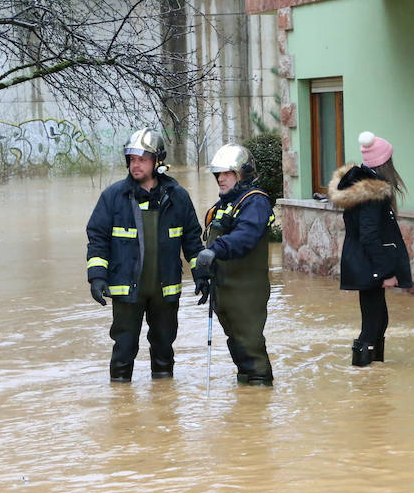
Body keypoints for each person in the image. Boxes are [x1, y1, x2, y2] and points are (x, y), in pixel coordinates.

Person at [86, 128, 207, 382]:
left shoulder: (177, 198)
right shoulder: (113, 197)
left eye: (142, 159)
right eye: (131, 159)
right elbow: (97, 240)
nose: (135, 165)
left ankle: (165, 405)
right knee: (124, 349)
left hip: (166, 290)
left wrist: (201, 275)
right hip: (126, 290)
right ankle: (120, 404)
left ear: (157, 161)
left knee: (164, 349)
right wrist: (97, 277)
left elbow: (192, 242)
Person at [328, 131, 412, 367]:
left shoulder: (362, 187)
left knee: (377, 320)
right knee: (373, 324)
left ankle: (374, 379)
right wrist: (384, 271)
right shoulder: (372, 192)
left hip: (364, 263)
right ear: (385, 163)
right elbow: (369, 234)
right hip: (369, 264)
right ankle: (364, 376)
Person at [195, 144, 275, 386]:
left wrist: (214, 251)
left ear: (243, 173)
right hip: (225, 290)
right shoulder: (221, 206)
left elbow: (245, 237)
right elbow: (207, 241)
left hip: (247, 291)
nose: (221, 178)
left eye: (227, 173)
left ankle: (261, 401)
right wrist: (203, 273)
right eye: (218, 174)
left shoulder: (256, 203)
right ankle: (246, 407)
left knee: (251, 345)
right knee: (237, 345)